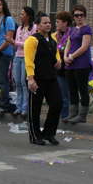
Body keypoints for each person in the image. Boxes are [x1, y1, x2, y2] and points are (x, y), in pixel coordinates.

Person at [24, 14, 62, 145]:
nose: (48, 25)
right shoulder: (32, 40)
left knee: (57, 103)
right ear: (38, 25)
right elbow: (28, 61)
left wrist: (59, 61)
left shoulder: (52, 39)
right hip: (37, 78)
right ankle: (35, 135)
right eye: (45, 23)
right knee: (35, 107)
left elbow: (57, 54)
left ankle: (49, 132)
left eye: (49, 23)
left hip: (51, 77)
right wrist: (31, 78)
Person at [64, 4, 93, 123]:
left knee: (82, 89)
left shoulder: (87, 29)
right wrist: (65, 56)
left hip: (81, 63)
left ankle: (82, 115)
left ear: (84, 16)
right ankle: (73, 113)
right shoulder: (72, 29)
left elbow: (84, 47)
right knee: (72, 89)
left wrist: (71, 56)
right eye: (77, 15)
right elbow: (68, 44)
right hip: (70, 64)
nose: (79, 17)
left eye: (81, 15)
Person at [11, 7, 37, 119]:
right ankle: (18, 107)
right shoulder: (19, 28)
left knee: (24, 83)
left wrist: (15, 42)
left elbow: (28, 44)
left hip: (27, 58)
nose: (20, 16)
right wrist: (11, 42)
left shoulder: (34, 28)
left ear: (29, 16)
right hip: (18, 56)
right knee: (17, 83)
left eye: (23, 14)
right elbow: (17, 45)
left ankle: (25, 109)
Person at [52, 11, 72, 121]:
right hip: (58, 67)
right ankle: (59, 115)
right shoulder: (56, 35)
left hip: (67, 67)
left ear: (65, 22)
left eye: (58, 21)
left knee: (65, 94)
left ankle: (65, 116)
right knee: (58, 93)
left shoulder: (71, 34)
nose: (56, 24)